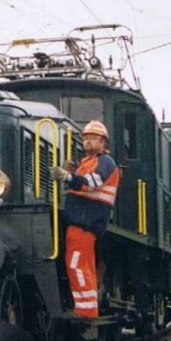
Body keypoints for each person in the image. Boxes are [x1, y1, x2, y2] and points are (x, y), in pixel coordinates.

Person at [51, 120, 120, 318]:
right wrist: (70, 176)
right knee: (80, 265)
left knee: (77, 265)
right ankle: (86, 308)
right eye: (86, 138)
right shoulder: (85, 163)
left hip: (85, 223)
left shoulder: (106, 162)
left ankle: (86, 311)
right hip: (80, 223)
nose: (88, 141)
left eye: (93, 138)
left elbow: (93, 182)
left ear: (103, 142)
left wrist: (68, 177)